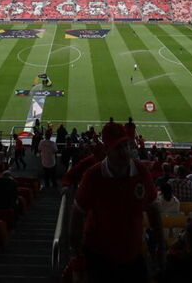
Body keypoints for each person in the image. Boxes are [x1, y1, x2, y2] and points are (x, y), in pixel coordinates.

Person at [69, 121, 163, 282]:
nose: (125, 152)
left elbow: (153, 208)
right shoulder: (93, 176)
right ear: (106, 150)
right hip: (99, 258)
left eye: (126, 145)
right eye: (118, 148)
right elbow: (77, 213)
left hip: (132, 254)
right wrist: (77, 252)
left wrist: (161, 243)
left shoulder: (141, 171)